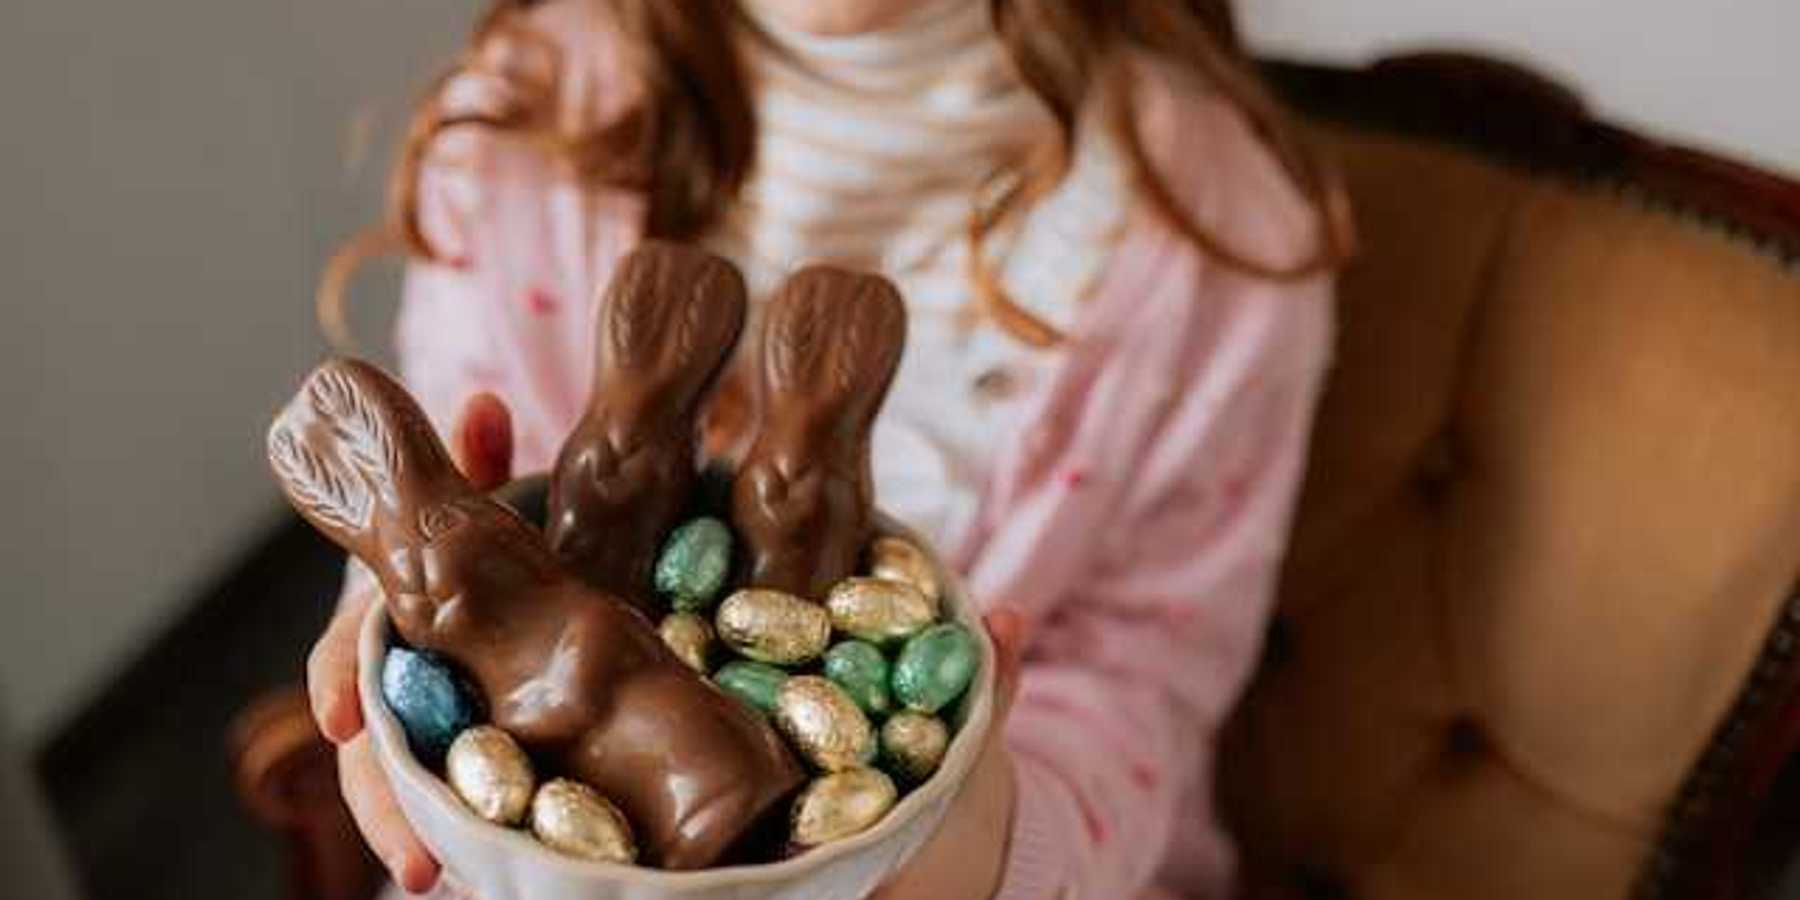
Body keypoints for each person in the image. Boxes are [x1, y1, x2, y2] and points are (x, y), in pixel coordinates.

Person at [306, 1, 1352, 897]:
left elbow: (1140, 692)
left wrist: (971, 847)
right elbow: (458, 516)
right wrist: (395, 648)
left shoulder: (1222, 239)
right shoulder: (527, 118)